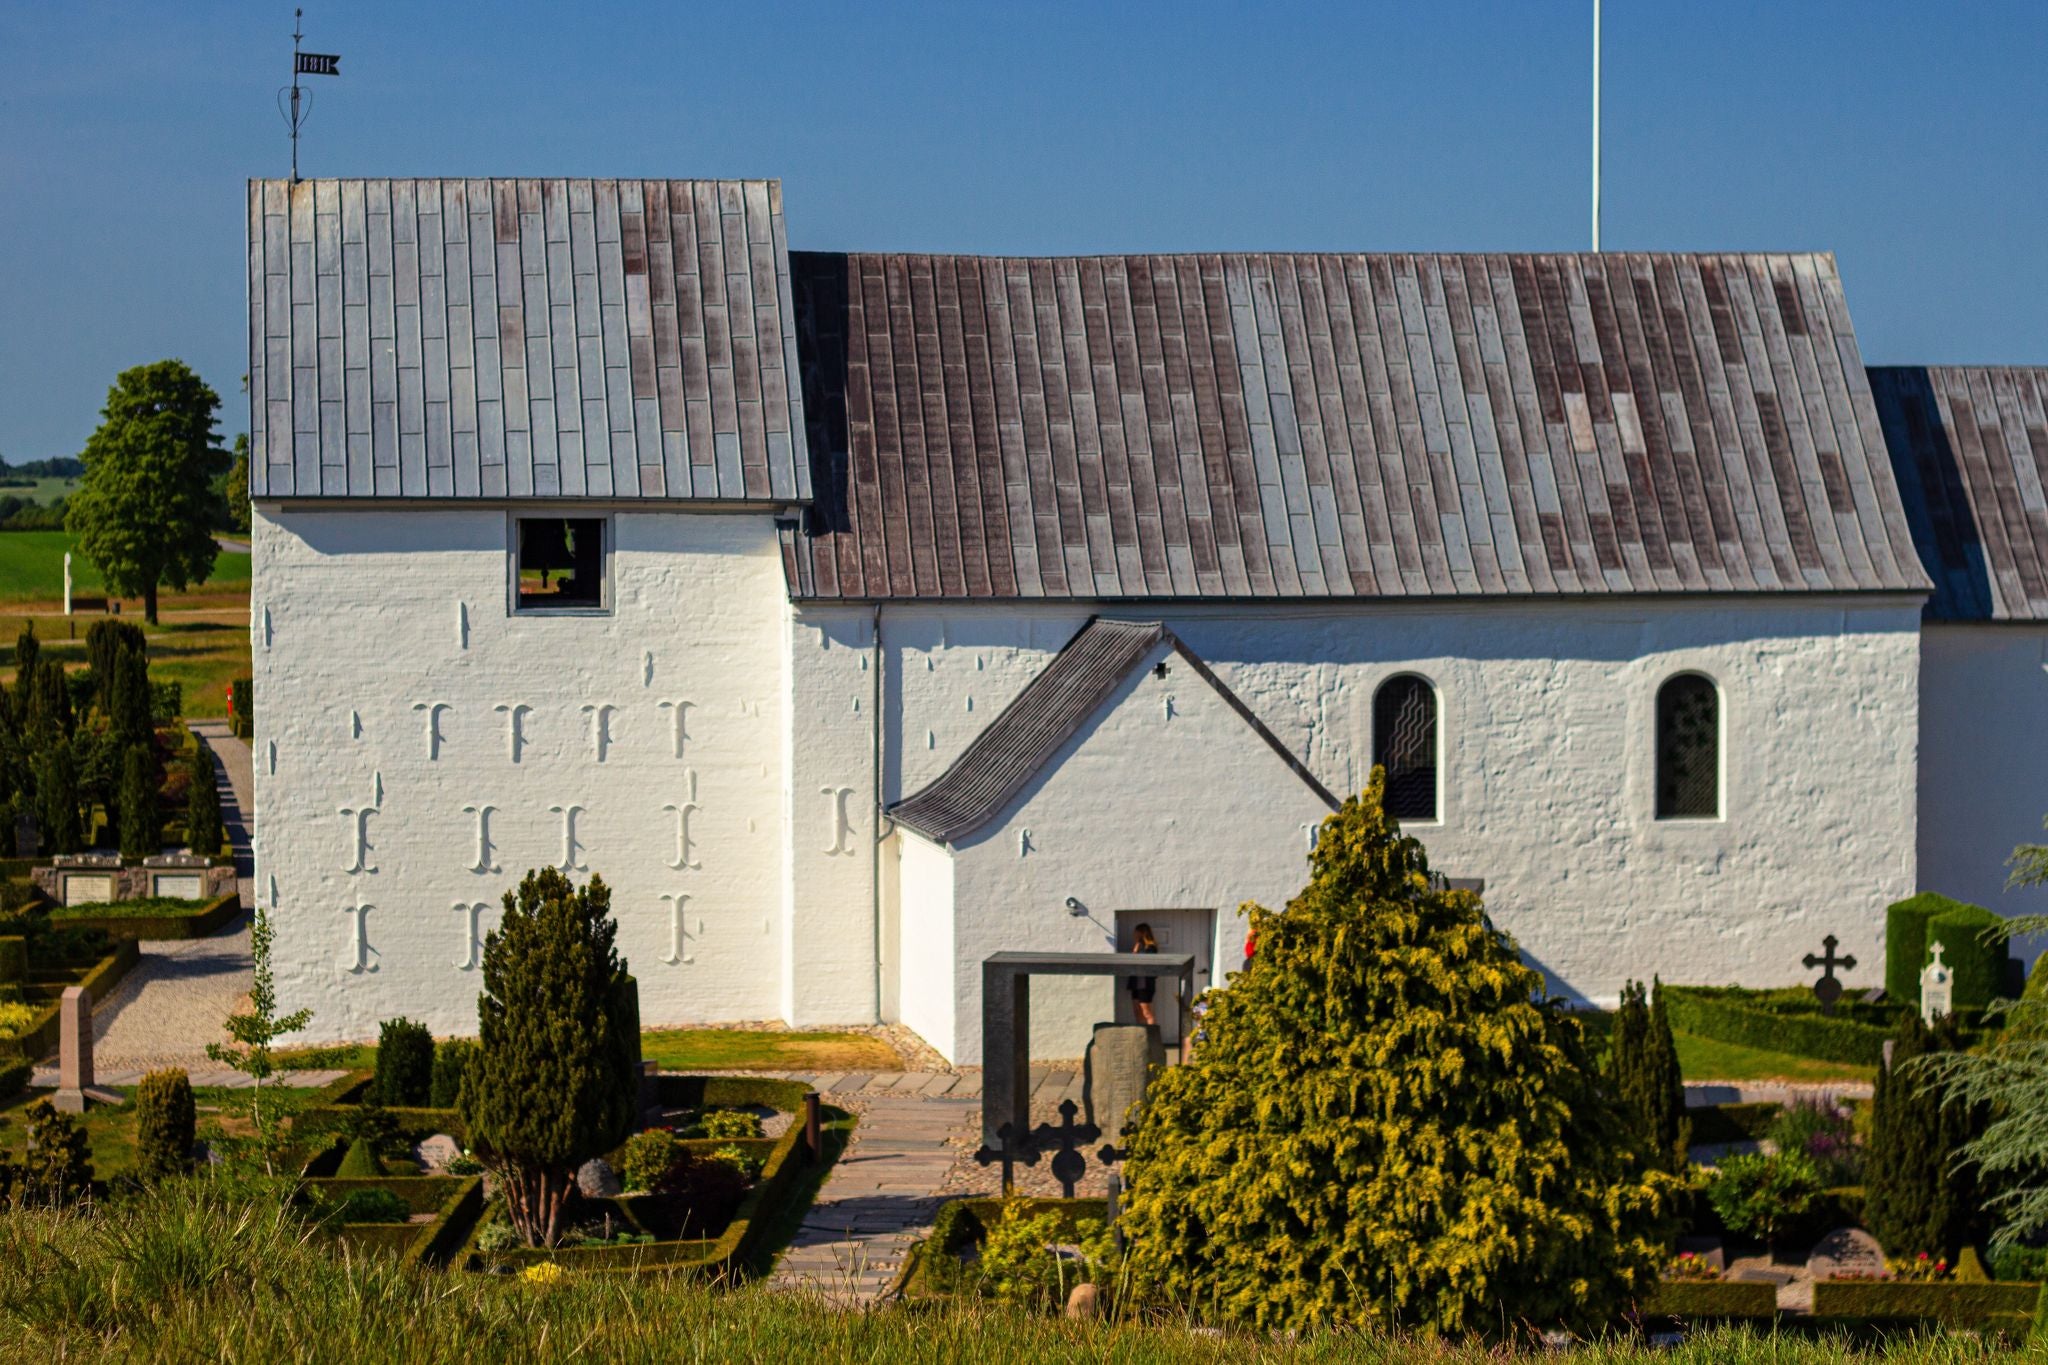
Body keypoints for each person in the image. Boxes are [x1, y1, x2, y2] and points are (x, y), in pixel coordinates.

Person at [1125, 922, 1159, 1027]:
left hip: (1145, 983)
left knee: (1146, 1012)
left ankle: (1152, 1034)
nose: (1134, 934)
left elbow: (1148, 964)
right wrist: (1135, 950)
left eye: (1136, 932)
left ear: (1142, 933)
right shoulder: (1139, 946)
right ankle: (1142, 1034)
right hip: (1136, 981)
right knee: (1137, 1011)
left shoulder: (1150, 948)